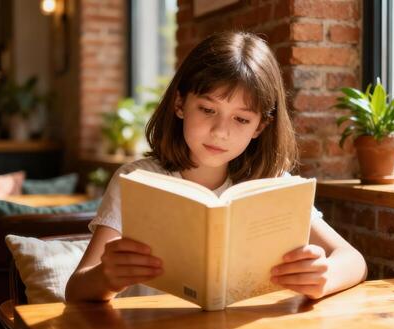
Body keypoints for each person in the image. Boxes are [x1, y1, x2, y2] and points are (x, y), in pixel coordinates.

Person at [66, 31, 367, 302]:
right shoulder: (137, 180)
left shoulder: (271, 183)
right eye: (208, 109)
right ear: (180, 104)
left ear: (260, 126)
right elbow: (76, 290)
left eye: (241, 119)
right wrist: (106, 277)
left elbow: (354, 260)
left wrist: (324, 276)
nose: (220, 132)